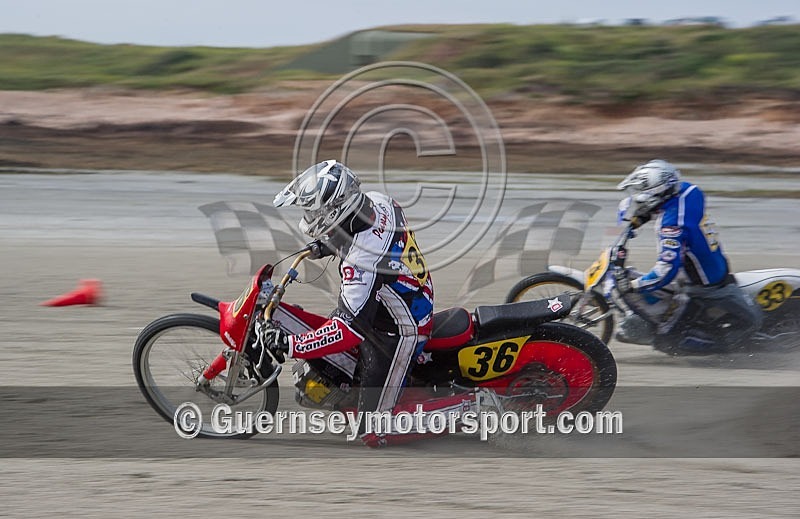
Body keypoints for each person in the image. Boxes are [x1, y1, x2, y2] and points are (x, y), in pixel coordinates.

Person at [266, 159, 475, 446]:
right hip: (407, 293)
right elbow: (365, 234)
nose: (309, 216)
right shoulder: (379, 202)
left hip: (400, 329)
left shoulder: (362, 262)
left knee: (373, 431)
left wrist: (292, 345)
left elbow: (347, 331)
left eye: (313, 210)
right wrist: (329, 244)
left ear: (335, 209)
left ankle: (473, 407)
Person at [614, 159, 763, 354]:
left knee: (668, 343)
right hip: (714, 264)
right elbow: (667, 202)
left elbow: (665, 272)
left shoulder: (671, 227)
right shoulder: (690, 192)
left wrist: (633, 286)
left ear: (658, 191)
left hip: (702, 286)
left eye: (643, 189)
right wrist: (642, 217)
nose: (639, 195)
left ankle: (724, 348)